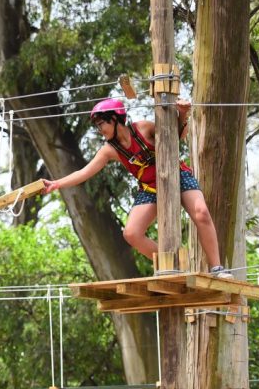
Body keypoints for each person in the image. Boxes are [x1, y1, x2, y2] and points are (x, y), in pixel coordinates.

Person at [42, 98, 232, 278]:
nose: (99, 129)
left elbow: (177, 135)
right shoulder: (110, 150)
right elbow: (84, 172)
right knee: (131, 233)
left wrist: (182, 115)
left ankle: (217, 267)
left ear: (115, 119)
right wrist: (56, 183)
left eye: (101, 124)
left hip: (177, 175)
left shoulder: (143, 128)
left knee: (201, 213)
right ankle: (174, 265)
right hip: (150, 188)